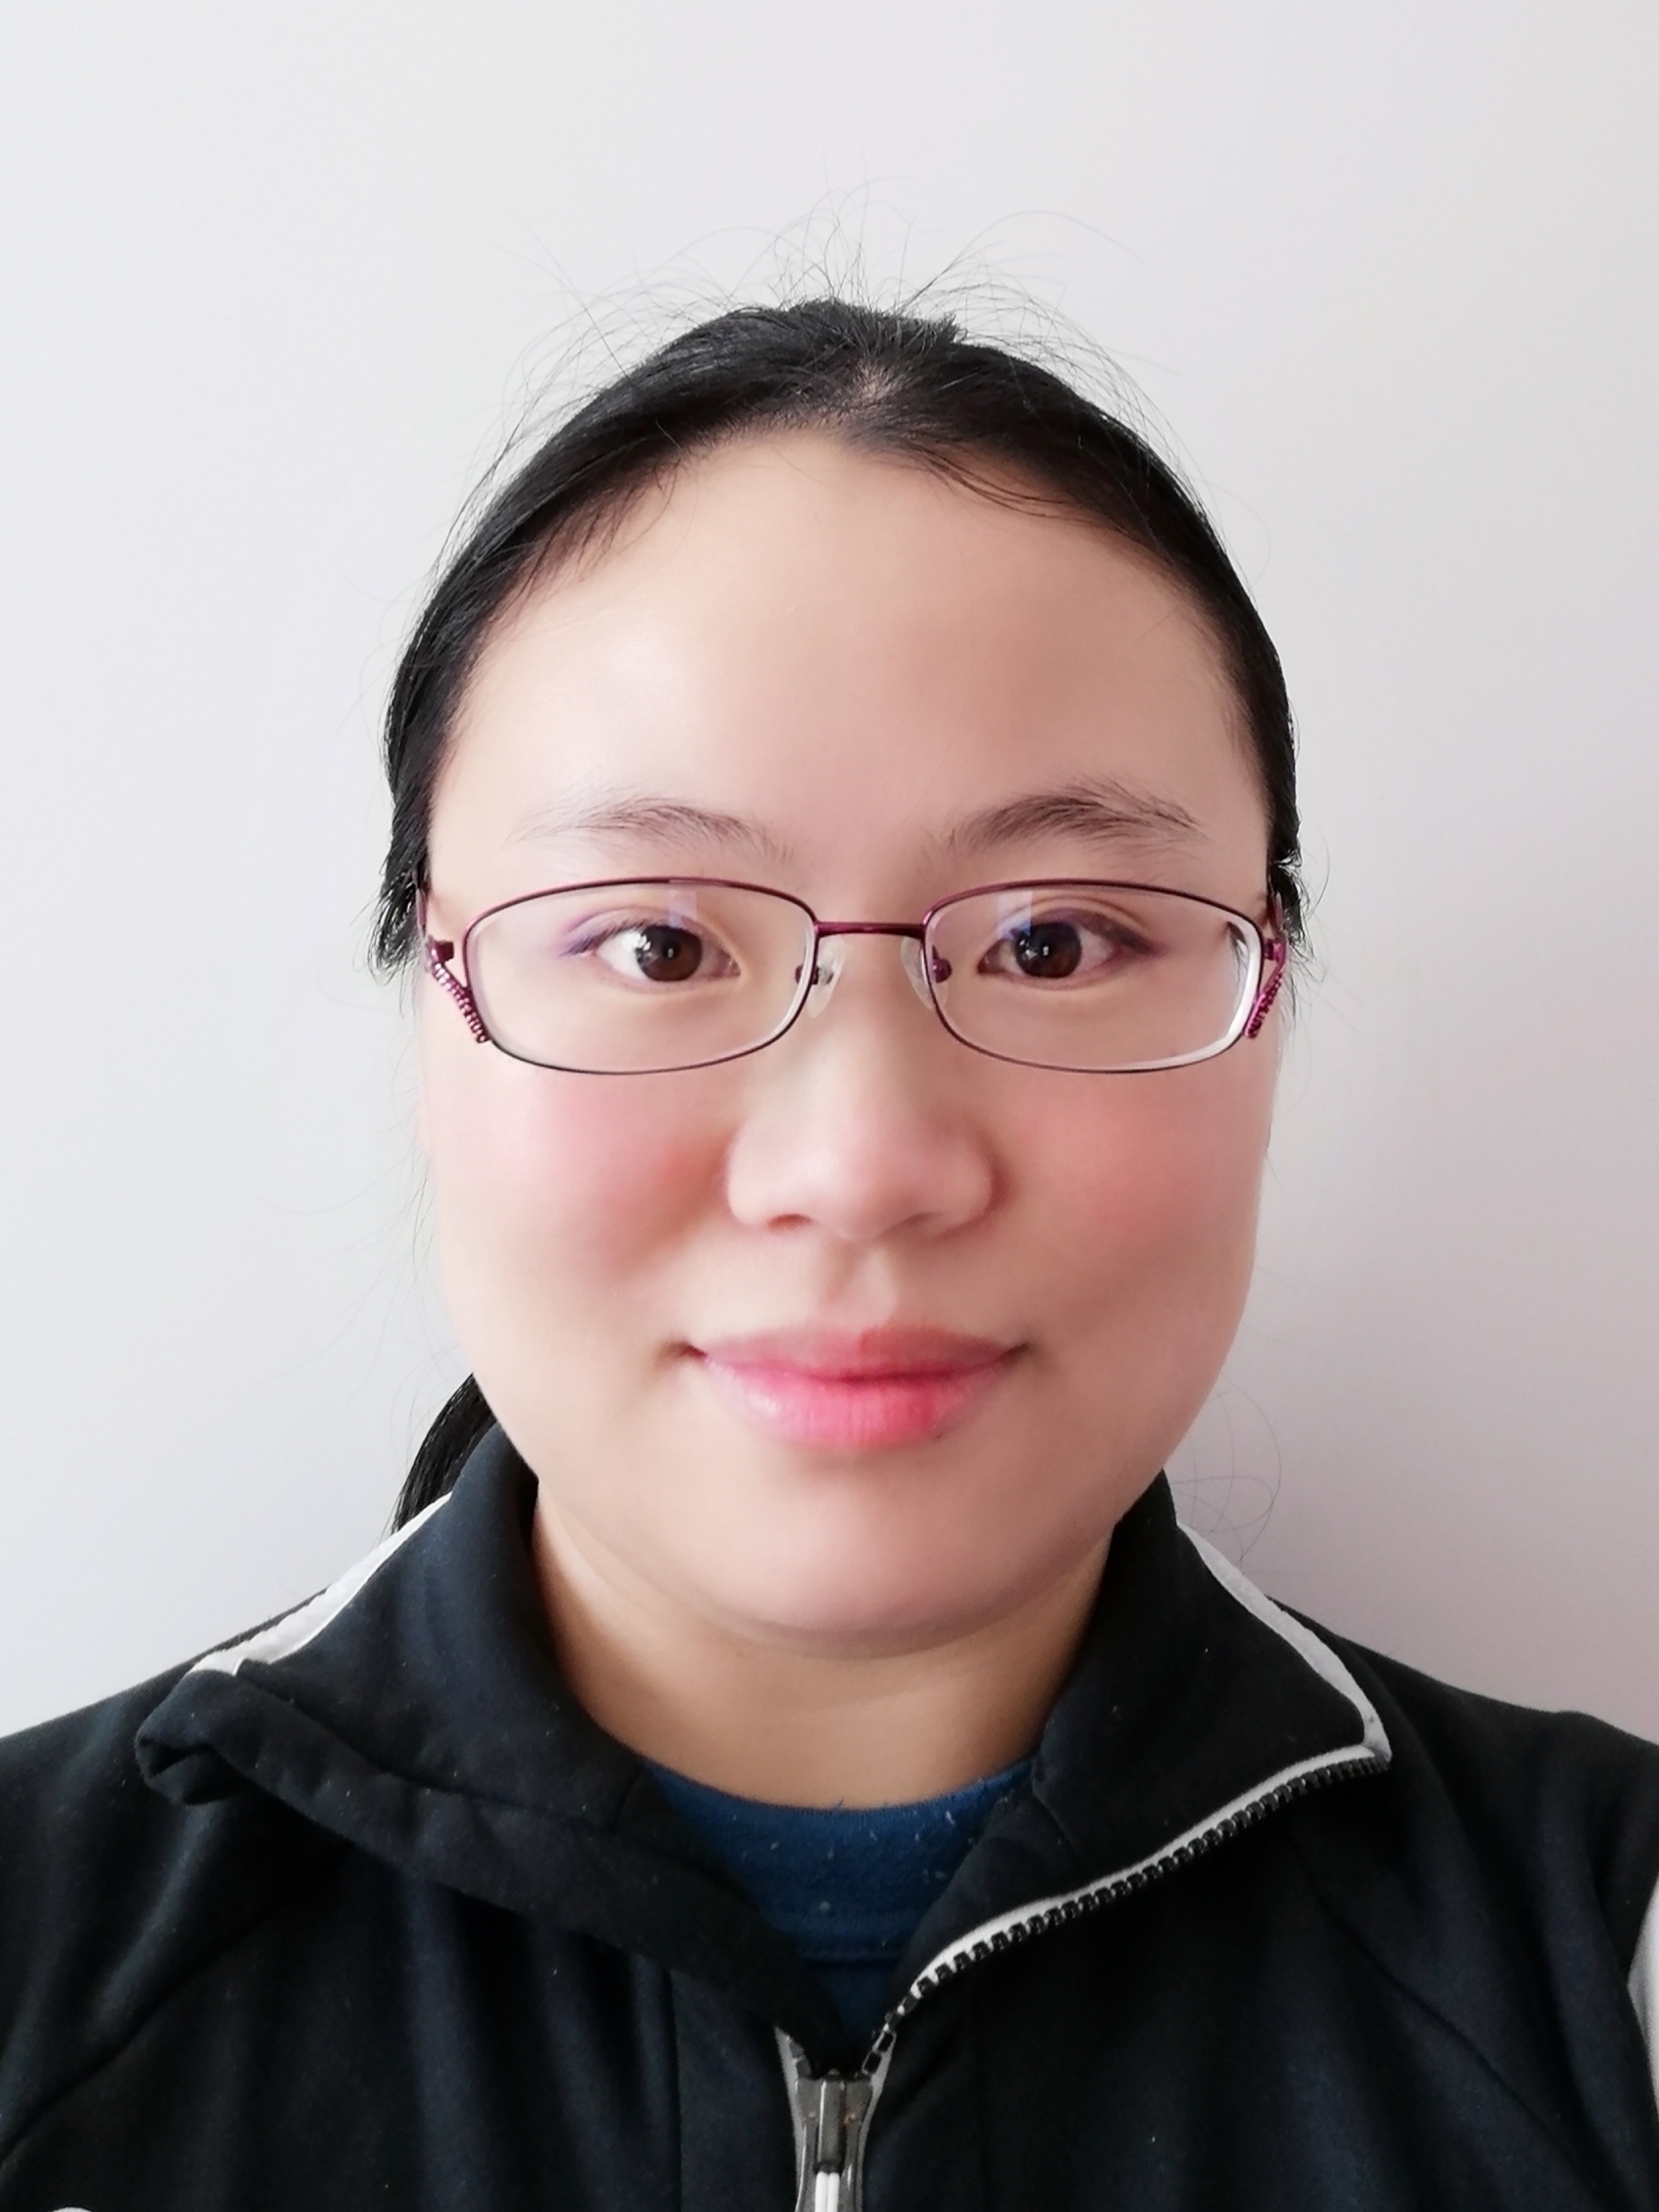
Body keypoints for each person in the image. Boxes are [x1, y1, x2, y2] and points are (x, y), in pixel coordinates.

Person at [1, 299, 1656, 2211]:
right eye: (657, 944)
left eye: (1054, 942)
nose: (861, 1166)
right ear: (428, 1009)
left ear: (1271, 1002)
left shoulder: (1608, 1974)